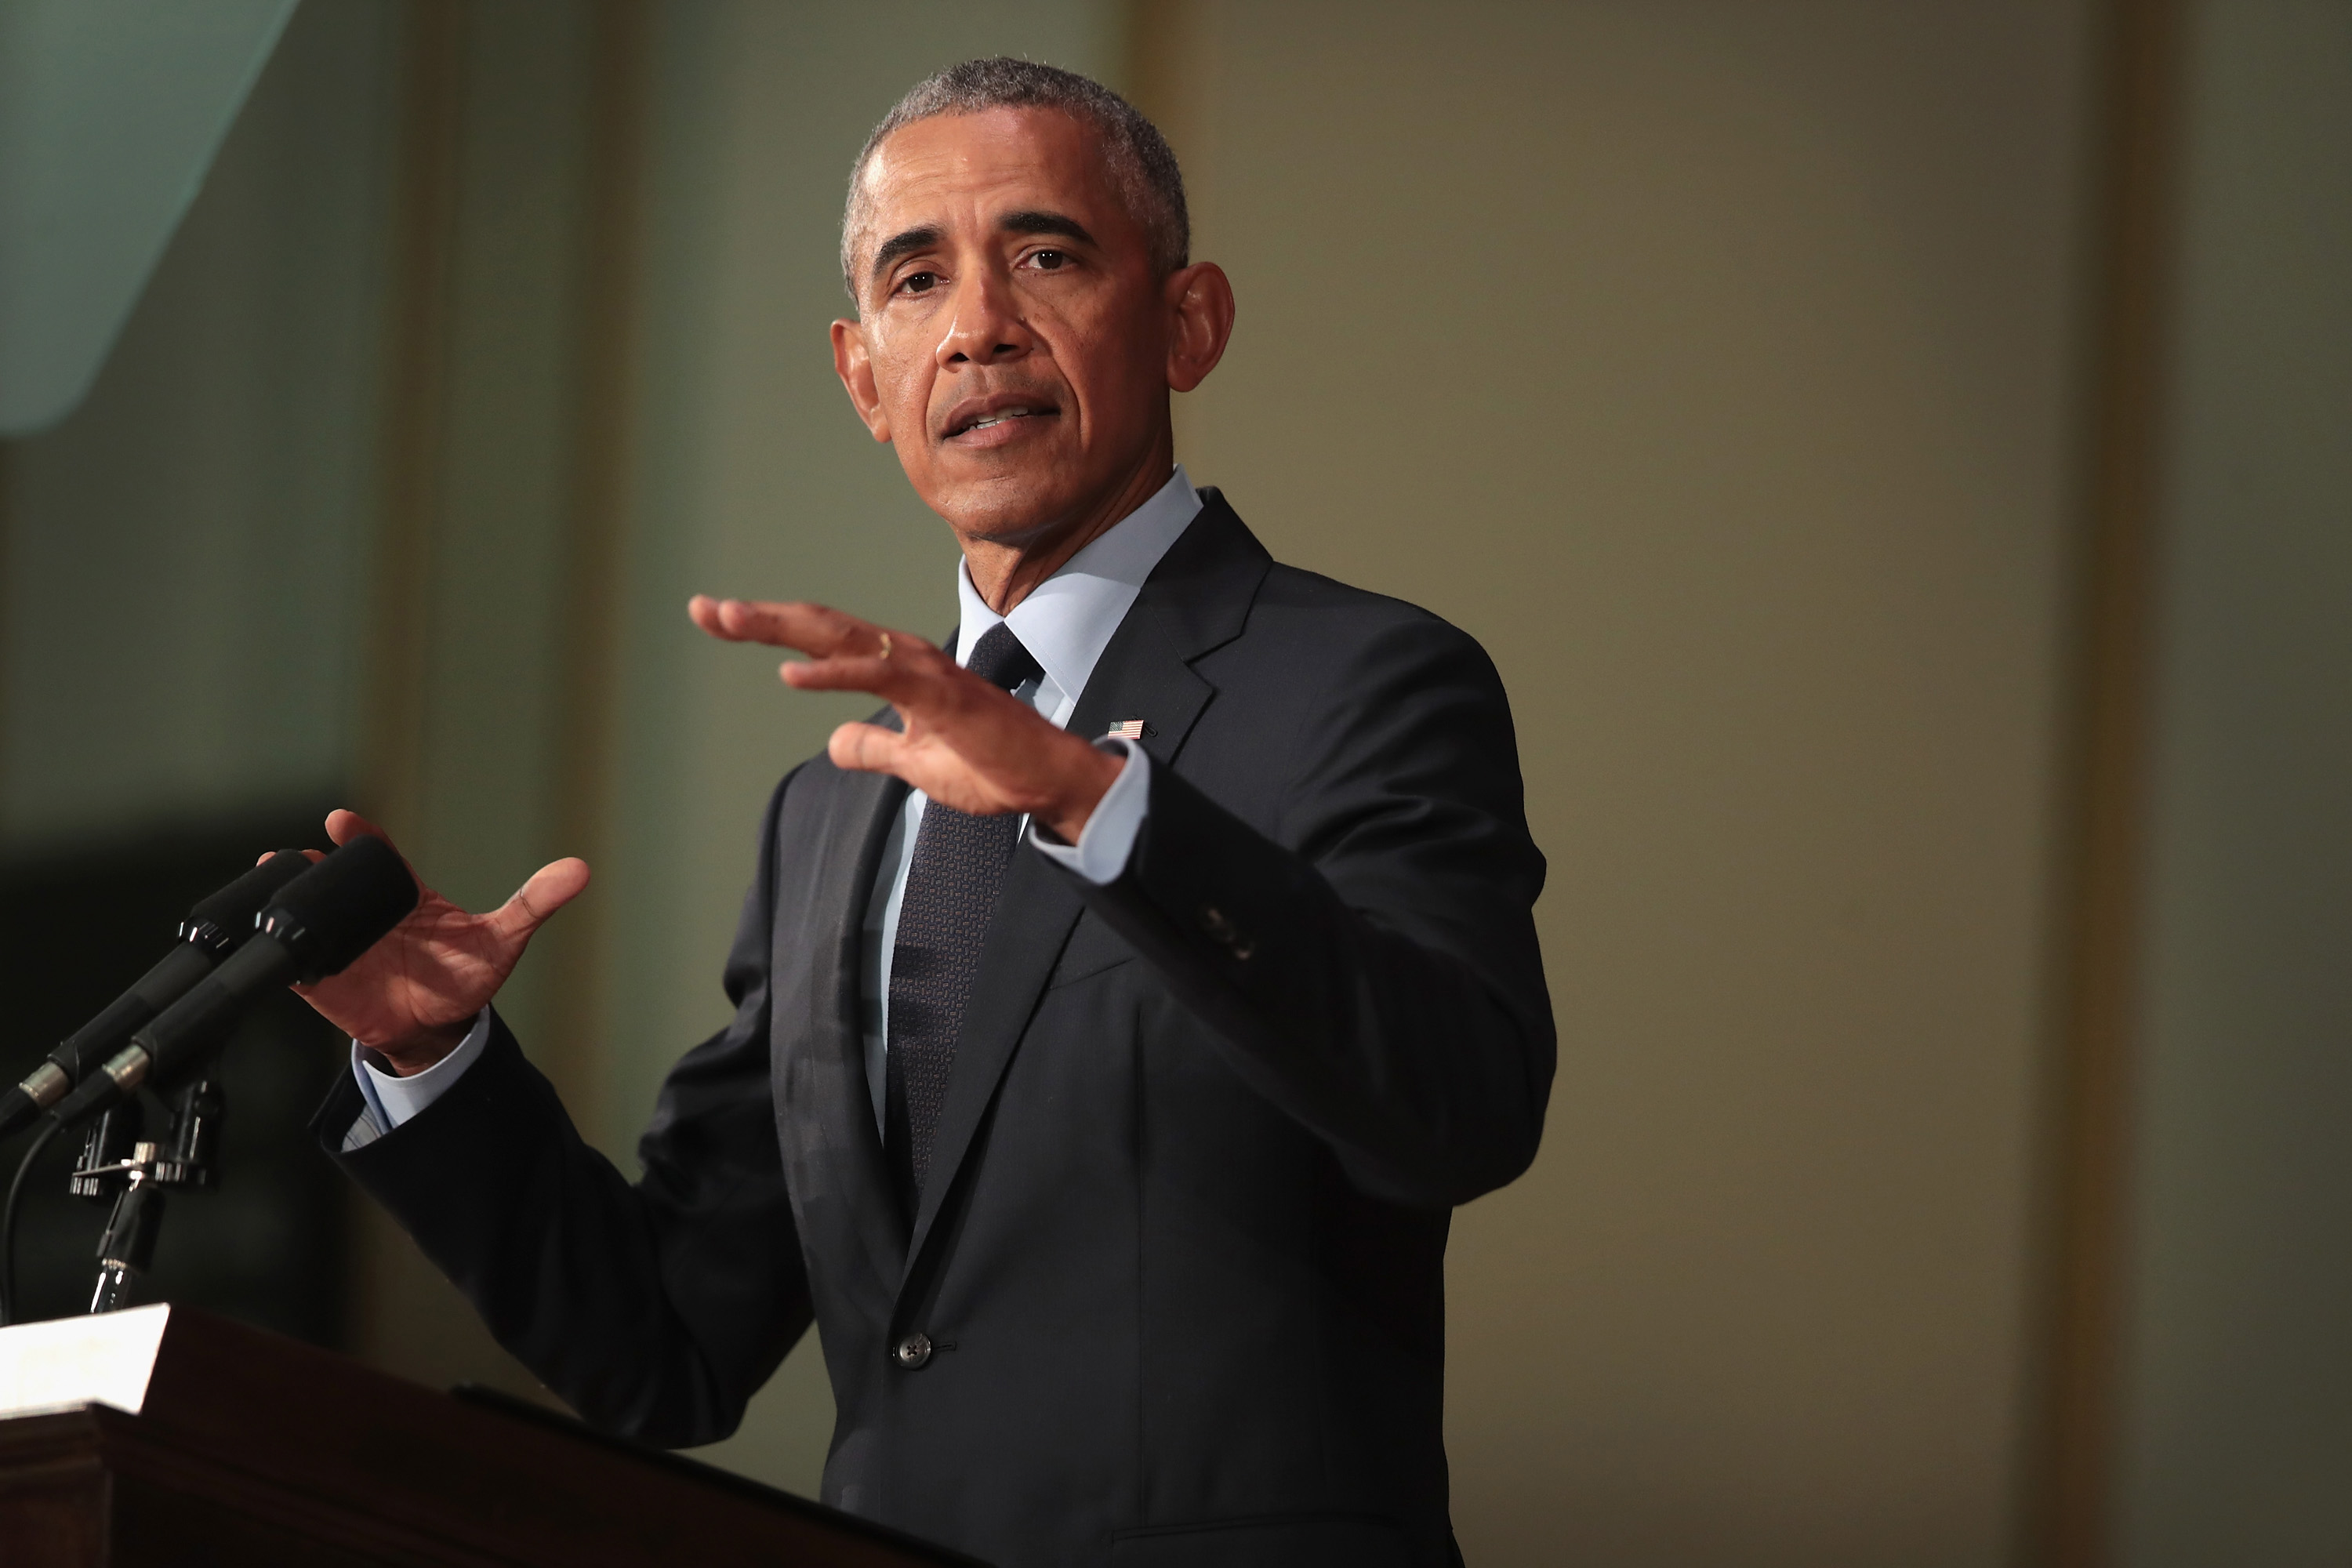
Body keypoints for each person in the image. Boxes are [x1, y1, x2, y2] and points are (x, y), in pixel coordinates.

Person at [299, 59, 1553, 1568]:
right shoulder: (831, 815)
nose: (978, 328)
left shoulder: (1362, 682)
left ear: (1188, 321)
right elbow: (669, 1341)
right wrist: (437, 1061)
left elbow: (1458, 1108)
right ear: (862, 373)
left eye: (1046, 255)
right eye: (917, 279)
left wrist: (1094, 803)